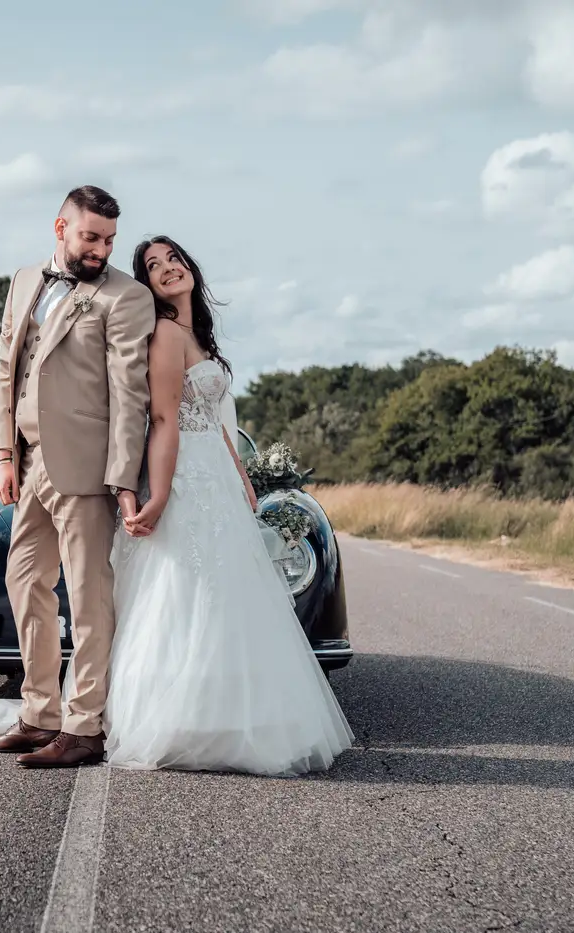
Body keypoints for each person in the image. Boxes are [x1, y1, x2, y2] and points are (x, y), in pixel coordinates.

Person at [101, 235, 354, 776]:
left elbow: (218, 425)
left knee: (229, 594)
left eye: (173, 258)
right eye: (153, 266)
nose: (167, 269)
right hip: (184, 475)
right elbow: (165, 420)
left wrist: (242, 478)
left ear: (190, 267)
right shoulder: (166, 335)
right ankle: (175, 719)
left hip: (215, 473)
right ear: (147, 284)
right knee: (186, 589)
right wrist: (162, 494)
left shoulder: (198, 338)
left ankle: (225, 717)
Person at [0, 185, 156, 768]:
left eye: (108, 240)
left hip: (86, 467)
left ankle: (84, 726)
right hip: (27, 462)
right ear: (61, 228)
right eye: (90, 237)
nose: (101, 249)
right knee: (24, 583)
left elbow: (131, 396)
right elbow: (5, 371)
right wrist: (4, 455)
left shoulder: (125, 298)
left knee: (87, 597)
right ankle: (38, 714)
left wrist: (124, 477)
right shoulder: (26, 281)